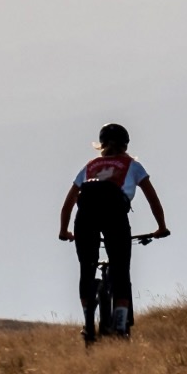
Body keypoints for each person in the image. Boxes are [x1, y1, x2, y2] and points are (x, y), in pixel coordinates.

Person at [58, 123, 169, 343]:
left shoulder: (89, 166)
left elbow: (69, 203)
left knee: (86, 270)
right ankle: (120, 325)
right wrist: (161, 227)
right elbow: (152, 198)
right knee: (120, 270)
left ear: (100, 145)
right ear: (126, 144)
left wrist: (64, 230)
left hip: (85, 218)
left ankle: (88, 322)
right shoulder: (132, 165)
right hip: (114, 216)